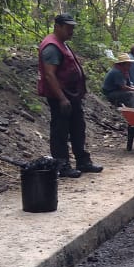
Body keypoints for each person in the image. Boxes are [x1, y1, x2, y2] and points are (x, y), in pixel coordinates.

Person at [37, 13, 103, 178]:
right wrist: (61, 98)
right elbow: (49, 75)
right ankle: (62, 165)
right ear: (57, 26)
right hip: (61, 97)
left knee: (77, 128)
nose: (71, 31)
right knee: (60, 131)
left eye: (72, 27)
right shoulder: (51, 46)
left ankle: (83, 161)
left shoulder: (62, 44)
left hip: (72, 96)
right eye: (68, 28)